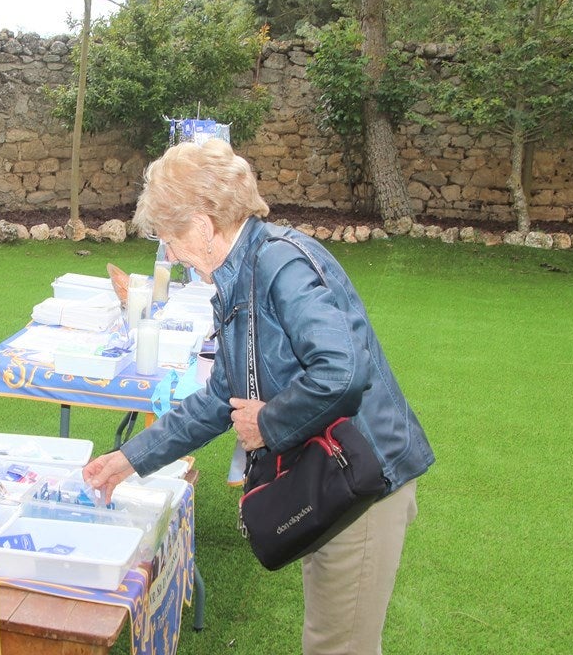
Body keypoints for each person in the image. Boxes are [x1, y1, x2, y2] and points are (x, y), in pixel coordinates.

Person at [84, 139, 434, 655]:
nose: (169, 253)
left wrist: (269, 424)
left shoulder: (278, 264)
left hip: (363, 483)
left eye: (167, 237)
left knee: (336, 646)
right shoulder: (240, 275)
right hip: (330, 476)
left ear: (202, 227)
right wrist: (130, 459)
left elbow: (343, 371)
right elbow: (218, 401)